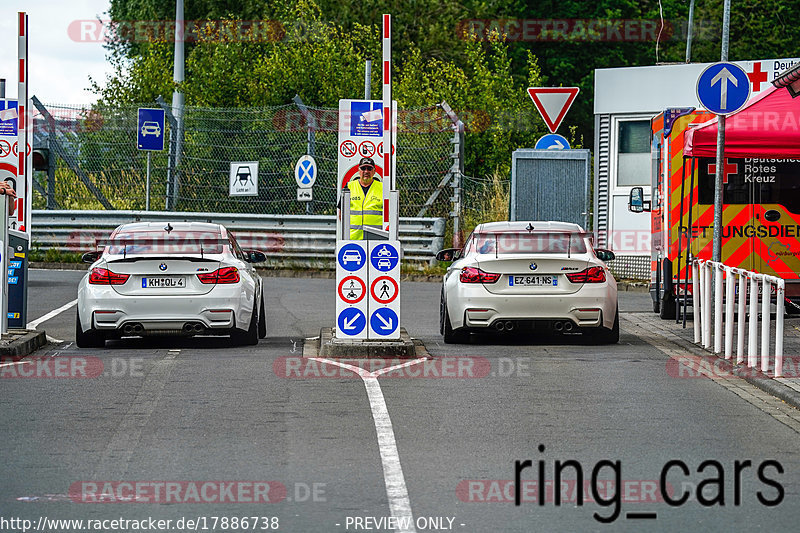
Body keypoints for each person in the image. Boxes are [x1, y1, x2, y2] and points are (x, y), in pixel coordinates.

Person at [345, 157, 383, 240]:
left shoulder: (383, 188)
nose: (366, 171)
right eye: (363, 168)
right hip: (353, 237)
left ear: (374, 171)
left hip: (376, 237)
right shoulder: (349, 186)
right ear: (359, 170)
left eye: (369, 168)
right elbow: (342, 213)